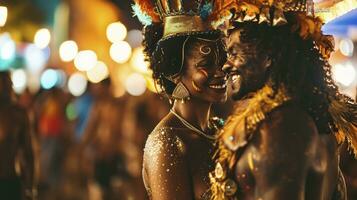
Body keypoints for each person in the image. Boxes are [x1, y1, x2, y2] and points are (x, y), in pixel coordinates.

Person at [209, 0, 357, 199]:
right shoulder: (300, 116)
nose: (226, 65)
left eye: (234, 52)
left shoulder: (283, 127)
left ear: (268, 53)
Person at [132, 0, 227, 199]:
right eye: (207, 64)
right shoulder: (168, 143)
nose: (221, 71)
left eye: (222, 61)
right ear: (174, 73)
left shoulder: (221, 129)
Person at [0, 71, 36, 199]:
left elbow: (28, 153)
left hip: (9, 180)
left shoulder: (18, 115)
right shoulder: (18, 114)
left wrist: (30, 187)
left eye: (8, 84)